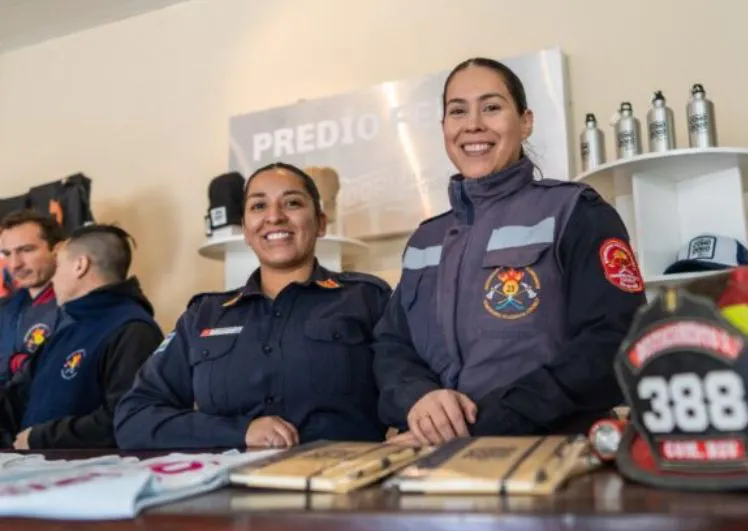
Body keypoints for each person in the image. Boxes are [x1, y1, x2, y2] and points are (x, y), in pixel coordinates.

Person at [373, 57, 647, 446]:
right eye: (457, 111)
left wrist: (483, 424)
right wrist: (419, 399)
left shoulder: (576, 212)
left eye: (492, 107)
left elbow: (613, 341)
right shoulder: (425, 240)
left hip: (553, 455)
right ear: (444, 128)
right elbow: (392, 345)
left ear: (526, 121)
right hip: (437, 464)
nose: (473, 125)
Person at [114, 163, 390, 450]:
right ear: (246, 230)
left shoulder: (367, 298)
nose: (274, 217)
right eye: (259, 206)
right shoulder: (204, 315)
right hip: (226, 490)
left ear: (320, 222)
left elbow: (412, 385)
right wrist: (239, 432)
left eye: (292, 203)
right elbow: (134, 418)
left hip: (341, 487)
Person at [2, 224, 163, 449]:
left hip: (94, 479)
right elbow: (15, 399)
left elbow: (127, 419)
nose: (53, 280)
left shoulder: (133, 331)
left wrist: (39, 438)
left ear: (80, 265)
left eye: (58, 266)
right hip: (38, 475)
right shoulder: (67, 330)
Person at [0, 210, 64, 384]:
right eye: (7, 254)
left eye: (26, 250)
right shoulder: (5, 309)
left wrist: (15, 363)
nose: (14, 264)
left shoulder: (78, 308)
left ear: (58, 250)